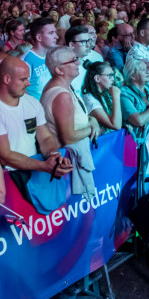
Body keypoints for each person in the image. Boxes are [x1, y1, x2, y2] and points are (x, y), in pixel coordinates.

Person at [0, 57, 70, 177]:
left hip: (34, 170)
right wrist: (44, 166)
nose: (28, 83)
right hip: (8, 176)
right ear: (7, 79)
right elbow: (4, 156)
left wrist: (53, 155)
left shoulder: (32, 102)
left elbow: (45, 137)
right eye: (23, 79)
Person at [40, 47, 98, 194]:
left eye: (76, 58)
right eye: (73, 60)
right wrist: (91, 128)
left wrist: (91, 119)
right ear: (59, 70)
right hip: (66, 168)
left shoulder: (65, 87)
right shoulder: (62, 95)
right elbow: (69, 137)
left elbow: (76, 118)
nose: (78, 63)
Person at [80, 62, 122, 135]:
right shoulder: (90, 99)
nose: (113, 79)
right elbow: (116, 125)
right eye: (109, 75)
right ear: (97, 78)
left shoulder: (104, 95)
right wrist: (116, 97)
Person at [22, 18, 58, 100]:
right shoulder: (26, 61)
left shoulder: (51, 55)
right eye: (51, 33)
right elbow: (21, 90)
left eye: (55, 32)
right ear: (39, 37)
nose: (56, 36)